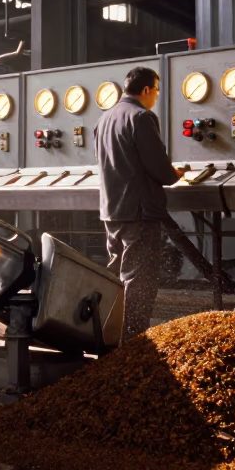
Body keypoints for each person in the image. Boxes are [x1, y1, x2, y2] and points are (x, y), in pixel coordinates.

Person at [95, 66, 185, 341]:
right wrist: (175, 174)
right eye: (156, 90)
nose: (156, 96)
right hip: (138, 212)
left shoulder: (104, 119)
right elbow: (158, 167)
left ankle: (110, 338)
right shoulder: (142, 117)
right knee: (140, 282)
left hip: (112, 212)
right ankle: (135, 345)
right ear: (146, 90)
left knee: (119, 279)